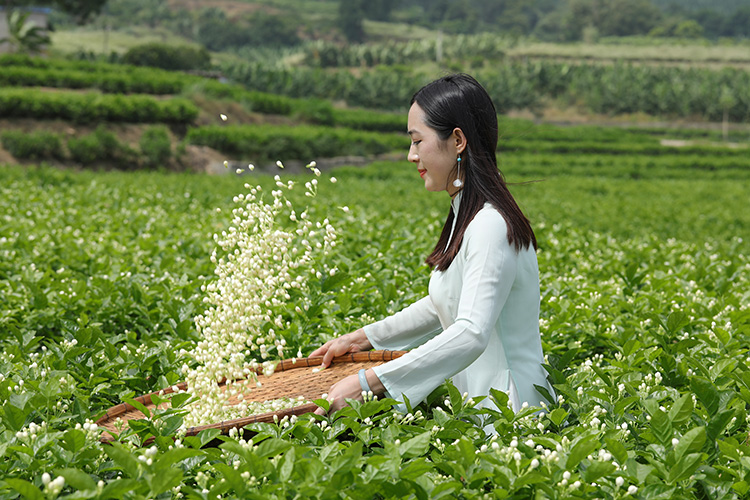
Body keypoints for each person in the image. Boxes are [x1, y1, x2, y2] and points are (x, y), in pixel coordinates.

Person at [311, 73, 552, 419]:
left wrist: (369, 382)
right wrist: (365, 338)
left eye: (417, 141)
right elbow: (447, 300)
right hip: (480, 406)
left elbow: (471, 332)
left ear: (457, 141)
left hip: (510, 413)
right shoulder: (468, 216)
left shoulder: (489, 225)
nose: (411, 155)